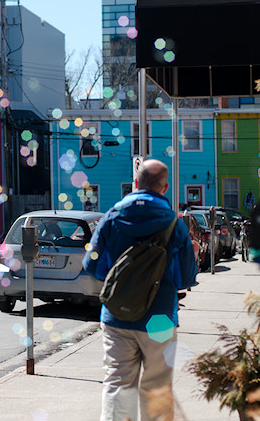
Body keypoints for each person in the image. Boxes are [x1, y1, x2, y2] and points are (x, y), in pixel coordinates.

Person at [82, 159, 198, 421]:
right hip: (159, 319)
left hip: (116, 316)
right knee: (157, 386)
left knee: (117, 384)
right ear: (165, 187)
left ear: (135, 183)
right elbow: (186, 277)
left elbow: (92, 265)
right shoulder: (174, 223)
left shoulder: (112, 216)